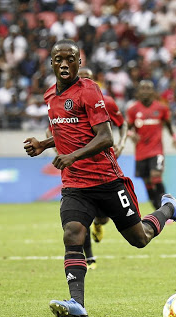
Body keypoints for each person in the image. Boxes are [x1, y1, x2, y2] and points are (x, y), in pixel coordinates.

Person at [23, 39, 176, 317]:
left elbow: (105, 138)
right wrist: (44, 144)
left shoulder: (89, 90)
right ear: (51, 63)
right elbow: (68, 131)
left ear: (79, 63)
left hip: (106, 180)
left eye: (70, 59)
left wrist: (71, 156)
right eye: (58, 59)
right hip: (75, 185)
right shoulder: (49, 97)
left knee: (140, 238)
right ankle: (77, 303)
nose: (64, 64)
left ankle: (169, 209)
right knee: (72, 234)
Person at [77, 67, 129, 270]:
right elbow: (53, 127)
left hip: (102, 166)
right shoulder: (66, 104)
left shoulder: (105, 103)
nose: (83, 83)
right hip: (78, 166)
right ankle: (89, 258)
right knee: (81, 218)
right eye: (80, 79)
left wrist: (122, 143)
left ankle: (100, 224)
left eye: (87, 79)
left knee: (103, 217)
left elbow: (122, 124)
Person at [126, 80, 176, 210]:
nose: (145, 91)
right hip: (141, 152)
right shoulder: (133, 109)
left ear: (153, 92)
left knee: (155, 176)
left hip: (156, 150)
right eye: (142, 88)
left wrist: (174, 138)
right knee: (147, 182)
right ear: (138, 92)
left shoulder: (161, 108)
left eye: (148, 88)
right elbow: (126, 129)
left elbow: (168, 124)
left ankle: (167, 208)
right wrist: (131, 135)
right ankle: (158, 210)